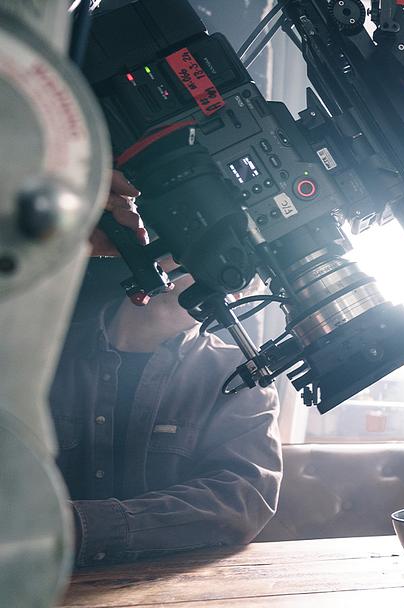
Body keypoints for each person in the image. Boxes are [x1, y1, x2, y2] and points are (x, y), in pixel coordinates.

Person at [50, 171, 282, 566]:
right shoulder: (42, 350)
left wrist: (75, 527)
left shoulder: (239, 376)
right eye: (219, 257)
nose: (226, 283)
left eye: (242, 277)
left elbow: (240, 499)